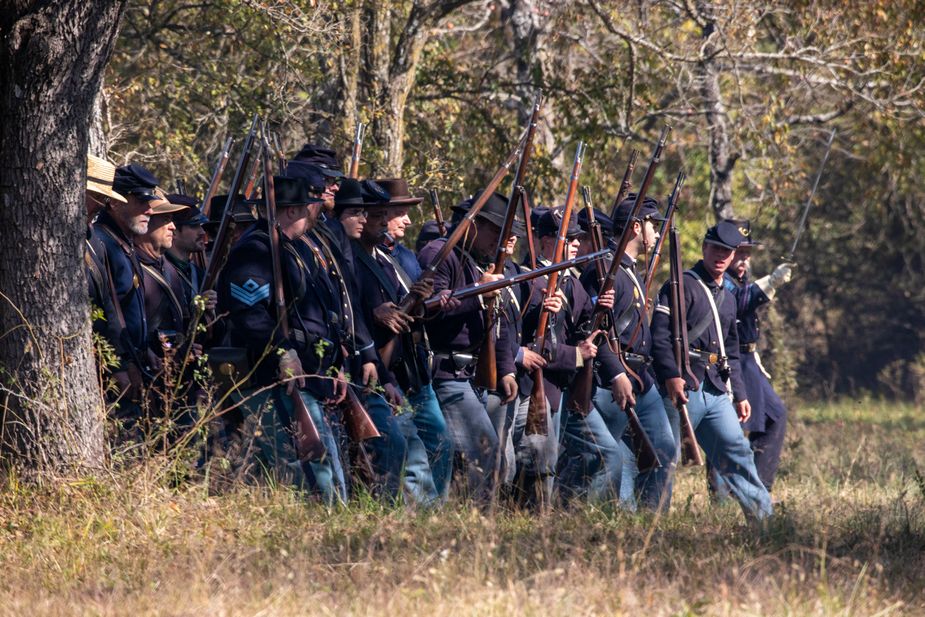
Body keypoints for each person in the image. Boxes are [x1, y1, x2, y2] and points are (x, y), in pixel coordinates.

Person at [217, 174, 347, 504]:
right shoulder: (257, 250)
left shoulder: (292, 249)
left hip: (307, 377)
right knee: (304, 471)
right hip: (276, 378)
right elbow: (249, 313)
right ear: (290, 211)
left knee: (324, 465)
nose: (317, 212)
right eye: (310, 207)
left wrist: (336, 363)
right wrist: (283, 352)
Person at [650, 220, 773, 522]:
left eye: (727, 252)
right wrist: (670, 376)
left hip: (716, 388)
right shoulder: (680, 285)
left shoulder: (729, 296)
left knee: (738, 454)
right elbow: (660, 336)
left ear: (733, 256)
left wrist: (740, 394)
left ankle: (765, 522)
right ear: (705, 248)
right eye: (716, 248)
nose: (721, 256)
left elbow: (731, 350)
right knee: (665, 458)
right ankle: (649, 523)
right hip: (683, 385)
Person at [353, 177, 451, 504]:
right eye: (392, 213)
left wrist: (424, 299)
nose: (405, 220)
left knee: (430, 445)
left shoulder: (398, 258)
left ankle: (426, 514)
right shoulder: (351, 258)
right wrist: (378, 312)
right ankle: (406, 516)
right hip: (374, 366)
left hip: (405, 365)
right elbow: (351, 310)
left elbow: (406, 309)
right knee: (402, 447)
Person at [417, 192, 515, 502]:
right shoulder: (439, 254)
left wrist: (506, 369)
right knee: (486, 455)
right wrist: (478, 290)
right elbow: (432, 309)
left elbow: (495, 325)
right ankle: (470, 531)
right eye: (494, 232)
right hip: (446, 373)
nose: (499, 241)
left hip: (470, 377)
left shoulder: (474, 262)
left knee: (481, 463)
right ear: (473, 225)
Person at [582, 195, 677, 510]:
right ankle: (601, 521)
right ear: (636, 227)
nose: (654, 231)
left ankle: (650, 523)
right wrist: (616, 374)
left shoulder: (629, 269)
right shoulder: (603, 269)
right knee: (605, 460)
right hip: (612, 379)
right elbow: (593, 330)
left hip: (640, 377)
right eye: (651, 224)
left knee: (663, 448)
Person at [524, 207, 620, 504]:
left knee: (597, 454)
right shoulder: (529, 280)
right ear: (543, 241)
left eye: (577, 238)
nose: (576, 244)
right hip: (539, 388)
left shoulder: (570, 281)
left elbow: (586, 327)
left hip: (567, 388)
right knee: (537, 464)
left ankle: (566, 513)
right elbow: (532, 346)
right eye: (567, 237)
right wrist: (576, 355)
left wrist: (602, 306)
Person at [712, 220, 793, 494]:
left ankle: (757, 488)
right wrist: (770, 282)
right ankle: (722, 496)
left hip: (748, 359)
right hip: (729, 361)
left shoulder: (740, 280)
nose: (744, 259)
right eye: (740, 252)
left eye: (748, 253)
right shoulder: (722, 282)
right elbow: (740, 302)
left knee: (775, 416)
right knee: (726, 429)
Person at [89, 163, 160, 419]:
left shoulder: (123, 243)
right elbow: (99, 313)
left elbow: (128, 308)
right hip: (112, 375)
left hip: (133, 364)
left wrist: (144, 349)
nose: (150, 209)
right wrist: (117, 366)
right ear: (115, 203)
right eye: (141, 201)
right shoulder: (101, 242)